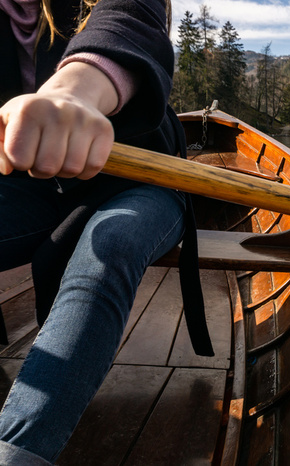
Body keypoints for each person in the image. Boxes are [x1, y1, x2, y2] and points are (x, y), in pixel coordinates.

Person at [0, 1, 210, 463]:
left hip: (143, 177)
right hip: (36, 184)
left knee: (110, 246)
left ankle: (17, 452)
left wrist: (73, 92)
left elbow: (128, 18)